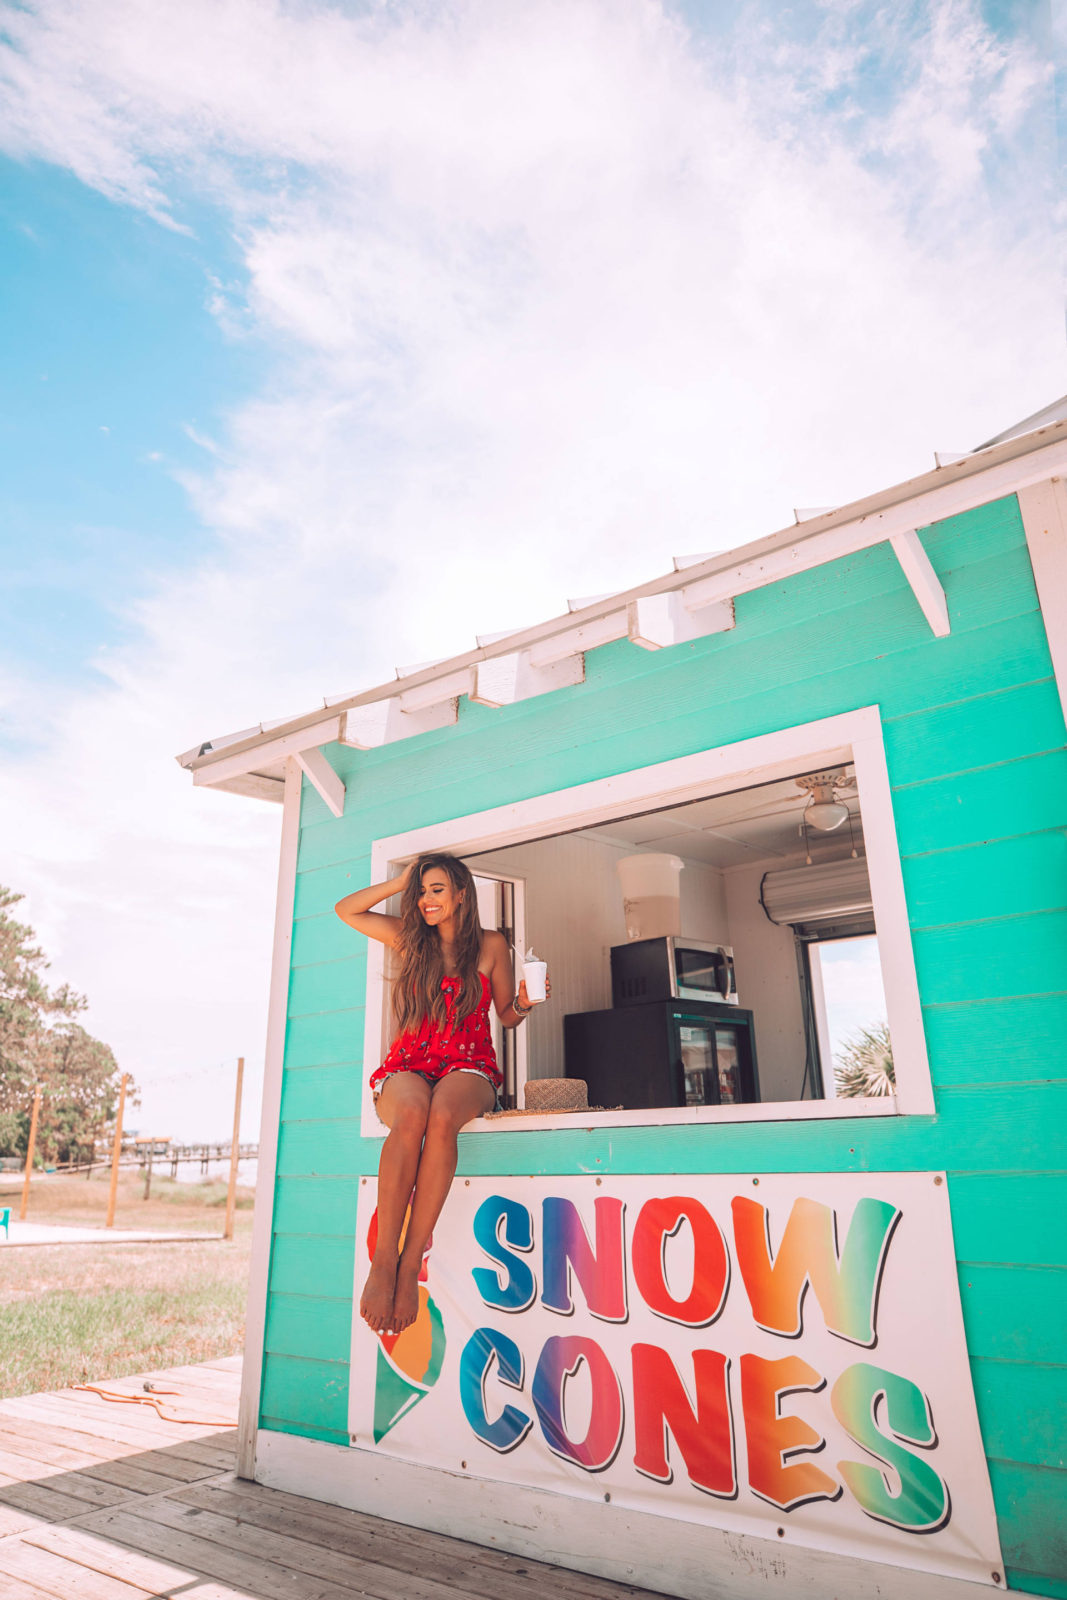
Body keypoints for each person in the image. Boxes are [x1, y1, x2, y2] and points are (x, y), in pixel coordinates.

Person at [336, 853, 550, 1337]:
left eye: (437, 890)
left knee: (442, 1115)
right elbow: (346, 910)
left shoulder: (492, 945)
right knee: (411, 1113)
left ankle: (412, 1264)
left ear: (460, 895)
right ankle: (384, 1259)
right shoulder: (408, 939)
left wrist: (524, 1001)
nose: (427, 900)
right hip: (409, 1064)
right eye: (423, 891)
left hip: (469, 1063)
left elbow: (506, 1015)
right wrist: (403, 881)